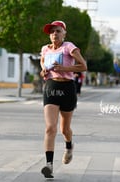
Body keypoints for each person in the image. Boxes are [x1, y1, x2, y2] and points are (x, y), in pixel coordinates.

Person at [40, 20, 87, 178]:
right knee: (50, 128)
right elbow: (42, 63)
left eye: (58, 31)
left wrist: (64, 68)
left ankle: (69, 146)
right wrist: (44, 71)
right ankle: (49, 166)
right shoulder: (45, 49)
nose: (54, 34)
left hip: (67, 88)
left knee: (64, 129)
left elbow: (83, 66)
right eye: (52, 31)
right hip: (51, 87)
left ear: (64, 33)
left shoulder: (69, 47)